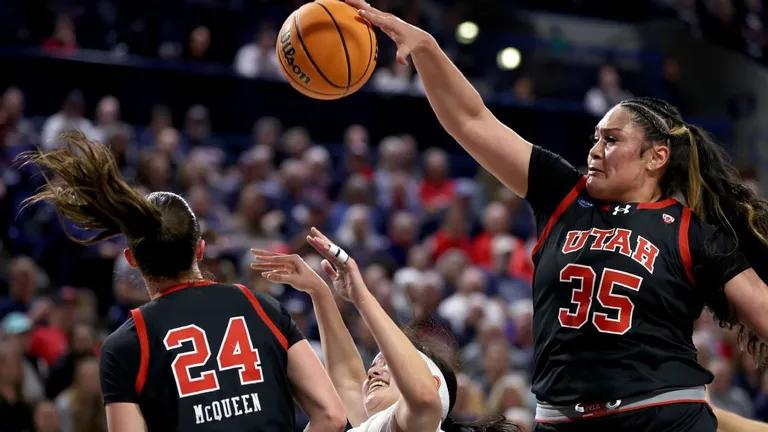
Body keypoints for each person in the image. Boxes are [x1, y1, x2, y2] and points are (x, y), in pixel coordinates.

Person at [344, 1, 768, 430]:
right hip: (560, 419)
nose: (595, 149)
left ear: (656, 157)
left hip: (659, 416)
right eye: (595, 137)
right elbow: (471, 120)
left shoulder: (691, 231)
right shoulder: (563, 193)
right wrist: (428, 49)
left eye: (611, 139)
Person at [21, 131, 346, 432]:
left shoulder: (124, 345)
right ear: (200, 249)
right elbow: (331, 415)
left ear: (131, 259)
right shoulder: (263, 308)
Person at [251, 227, 519, 432]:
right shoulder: (375, 424)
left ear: (432, 382)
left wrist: (362, 296)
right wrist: (320, 292)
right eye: (377, 363)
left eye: (387, 363)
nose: (373, 370)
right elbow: (346, 377)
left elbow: (423, 397)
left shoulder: (417, 421)